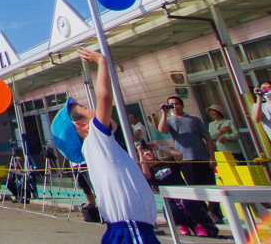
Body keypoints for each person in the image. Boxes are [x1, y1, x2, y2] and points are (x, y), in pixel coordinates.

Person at [50, 48, 158, 244]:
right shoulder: (95, 140)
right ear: (80, 125)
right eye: (85, 108)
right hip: (131, 229)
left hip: (131, 228)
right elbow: (105, 98)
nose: (93, 109)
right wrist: (101, 62)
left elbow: (113, 123)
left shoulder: (98, 146)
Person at [157, 95, 223, 222]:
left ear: (182, 105)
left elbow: (208, 138)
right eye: (171, 105)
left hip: (202, 157)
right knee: (194, 187)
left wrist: (211, 156)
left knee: (211, 185)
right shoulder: (170, 120)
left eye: (177, 104)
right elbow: (162, 130)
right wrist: (164, 113)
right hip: (185, 159)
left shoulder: (194, 119)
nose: (175, 107)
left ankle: (215, 213)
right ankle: (203, 214)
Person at [137, 143, 218, 238]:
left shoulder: (168, 162)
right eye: (145, 154)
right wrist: (140, 153)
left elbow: (179, 155)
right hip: (170, 198)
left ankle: (198, 225)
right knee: (171, 212)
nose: (147, 154)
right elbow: (146, 175)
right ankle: (183, 225)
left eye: (148, 152)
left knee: (190, 204)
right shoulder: (150, 171)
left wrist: (159, 147)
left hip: (183, 193)